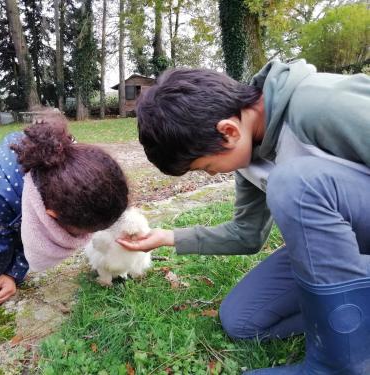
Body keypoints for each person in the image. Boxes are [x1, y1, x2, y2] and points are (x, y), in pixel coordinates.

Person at [117, 60, 370, 374]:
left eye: (206, 167)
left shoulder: (319, 104)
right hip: (348, 248)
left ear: (228, 131)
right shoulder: (247, 152)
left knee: (295, 183)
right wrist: (167, 237)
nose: (212, 173)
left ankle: (341, 364)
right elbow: (247, 234)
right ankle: (351, 316)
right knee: (243, 319)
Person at [0, 113, 128, 360]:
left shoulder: (61, 170)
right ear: (51, 214)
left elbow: (25, 238)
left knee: (4, 274)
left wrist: (13, 273)